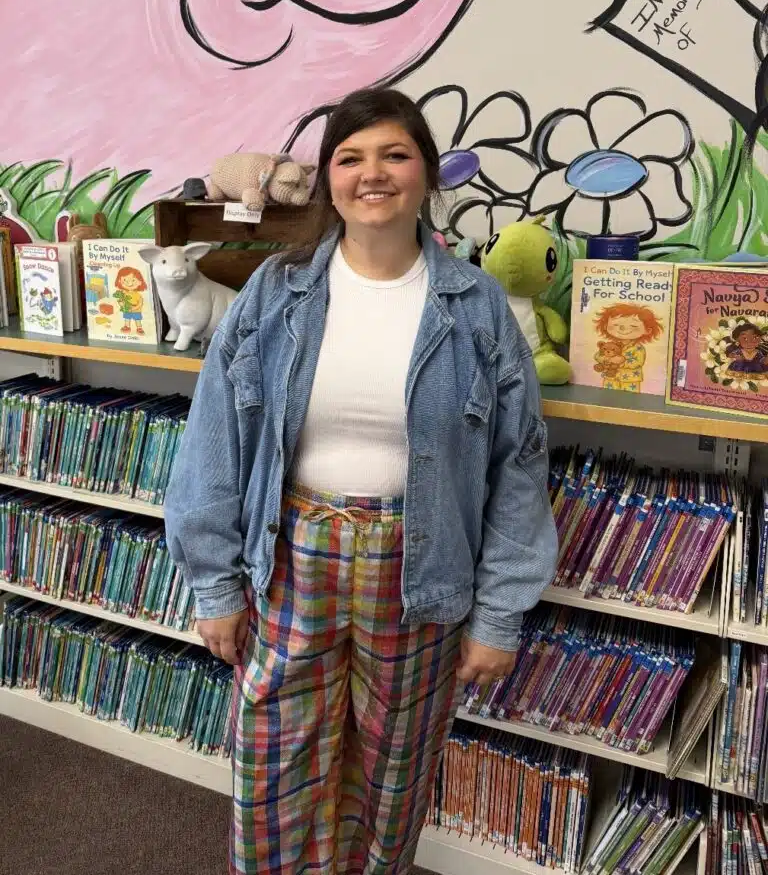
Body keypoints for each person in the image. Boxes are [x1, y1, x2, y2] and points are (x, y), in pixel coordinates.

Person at [164, 87, 558, 875]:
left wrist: (499, 614)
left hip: (421, 569)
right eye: (350, 158)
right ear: (327, 179)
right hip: (290, 560)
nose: (371, 173)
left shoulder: (478, 308)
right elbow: (215, 438)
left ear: (427, 173)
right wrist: (214, 587)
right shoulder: (276, 294)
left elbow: (518, 464)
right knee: (273, 768)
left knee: (391, 776)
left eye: (394, 154)